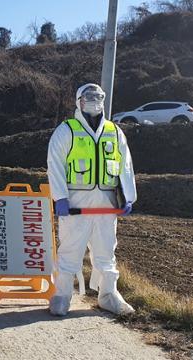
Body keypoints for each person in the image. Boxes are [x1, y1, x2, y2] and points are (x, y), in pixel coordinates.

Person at [46, 83, 137, 316]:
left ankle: (108, 295)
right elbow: (55, 164)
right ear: (79, 102)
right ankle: (62, 295)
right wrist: (60, 198)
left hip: (106, 205)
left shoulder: (114, 132)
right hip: (76, 205)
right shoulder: (67, 130)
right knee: (69, 251)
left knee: (106, 252)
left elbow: (125, 165)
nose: (94, 101)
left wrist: (128, 196)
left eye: (98, 97)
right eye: (89, 97)